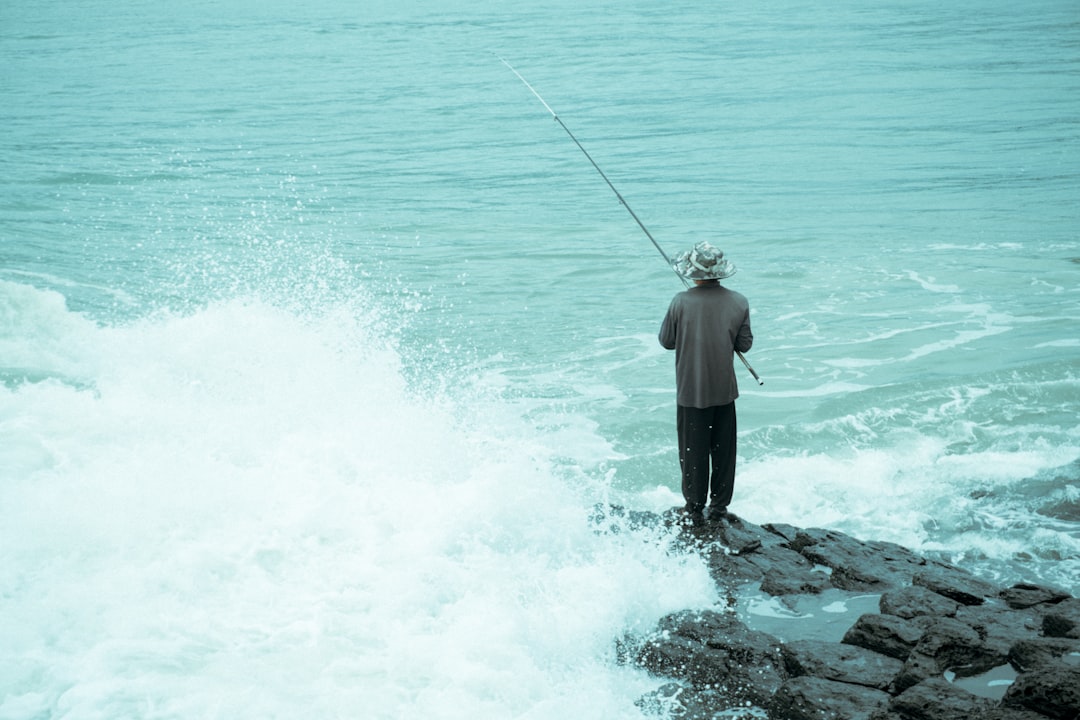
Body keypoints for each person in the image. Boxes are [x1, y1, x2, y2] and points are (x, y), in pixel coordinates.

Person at [659, 241, 753, 526]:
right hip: (724, 390)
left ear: (693, 272)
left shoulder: (680, 301)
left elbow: (667, 341)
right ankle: (719, 508)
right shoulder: (739, 301)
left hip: (690, 390)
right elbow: (745, 345)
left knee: (693, 450)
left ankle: (694, 508)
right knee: (723, 451)